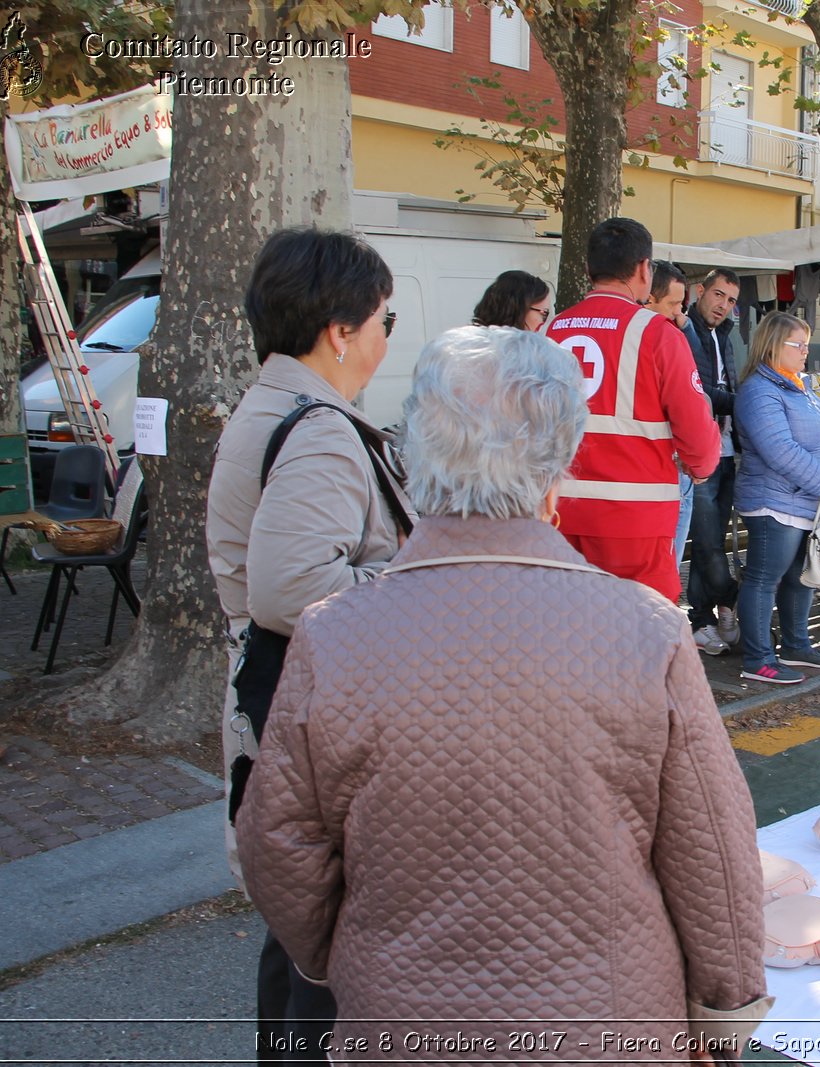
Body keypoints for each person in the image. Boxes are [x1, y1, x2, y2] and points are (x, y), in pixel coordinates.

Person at [236, 326, 769, 1062]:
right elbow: (712, 853)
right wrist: (721, 1014)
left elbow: (278, 845)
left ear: (416, 454)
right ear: (559, 464)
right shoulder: (644, 630)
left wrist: (349, 953)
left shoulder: (333, 635)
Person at [206, 227, 417, 1065]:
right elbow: (291, 589)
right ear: (340, 329)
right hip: (315, 720)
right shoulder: (321, 428)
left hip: (281, 713)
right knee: (321, 954)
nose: (384, 337)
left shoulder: (274, 406)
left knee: (297, 935)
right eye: (383, 318)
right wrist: (415, 587)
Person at [546, 218, 720, 599]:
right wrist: (701, 466)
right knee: (643, 638)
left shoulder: (551, 330)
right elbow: (698, 439)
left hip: (557, 515)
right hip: (634, 522)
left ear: (587, 269)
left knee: (568, 635)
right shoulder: (658, 334)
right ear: (644, 269)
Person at [734, 311, 820, 684]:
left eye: (806, 343)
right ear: (772, 346)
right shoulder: (758, 390)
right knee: (765, 578)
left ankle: (797, 645)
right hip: (774, 503)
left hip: (804, 501)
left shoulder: (797, 385)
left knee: (801, 577)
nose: (805, 351)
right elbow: (779, 450)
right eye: (797, 344)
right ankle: (758, 659)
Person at [685, 268, 744, 655]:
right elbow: (697, 391)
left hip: (726, 453)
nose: (723, 305)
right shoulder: (684, 331)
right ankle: (733, 598)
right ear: (700, 291)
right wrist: (739, 403)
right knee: (707, 544)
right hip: (698, 454)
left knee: (712, 543)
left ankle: (702, 620)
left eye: (731, 300)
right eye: (718, 295)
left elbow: (726, 388)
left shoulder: (725, 336)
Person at [642, 260, 701, 568]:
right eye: (674, 304)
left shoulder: (674, 331)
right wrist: (702, 463)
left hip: (671, 470)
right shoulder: (660, 337)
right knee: (662, 575)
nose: (680, 314)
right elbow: (692, 408)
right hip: (663, 472)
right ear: (648, 297)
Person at [471, 269, 553, 331]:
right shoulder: (522, 350)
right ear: (519, 309)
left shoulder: (471, 342)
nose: (544, 324)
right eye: (544, 314)